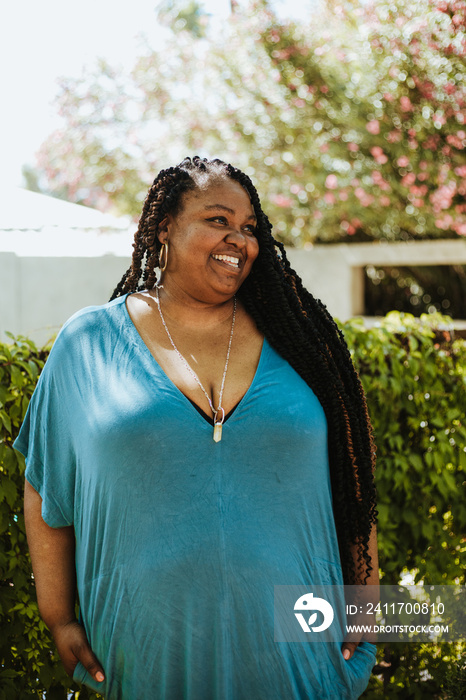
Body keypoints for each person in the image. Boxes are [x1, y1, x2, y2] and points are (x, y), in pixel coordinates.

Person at [15, 156, 379, 699]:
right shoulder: (89, 343)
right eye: (218, 220)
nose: (240, 240)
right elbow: (45, 486)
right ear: (165, 227)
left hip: (303, 658)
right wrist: (58, 617)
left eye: (249, 228)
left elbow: (355, 476)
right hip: (148, 658)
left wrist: (371, 615)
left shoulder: (302, 342)